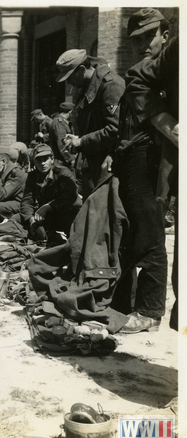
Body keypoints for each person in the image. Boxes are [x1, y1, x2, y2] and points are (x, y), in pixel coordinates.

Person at [115, 9, 175, 334]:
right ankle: (124, 303)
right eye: (135, 39)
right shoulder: (143, 74)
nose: (141, 45)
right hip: (132, 159)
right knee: (130, 232)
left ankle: (150, 312)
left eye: (148, 36)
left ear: (165, 36)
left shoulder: (169, 76)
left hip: (152, 159)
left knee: (151, 235)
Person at [55, 48, 125, 198]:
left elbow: (116, 129)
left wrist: (82, 141)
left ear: (81, 69)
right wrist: (78, 139)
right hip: (94, 164)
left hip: (110, 164)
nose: (68, 82)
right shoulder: (89, 86)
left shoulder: (110, 85)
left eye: (69, 77)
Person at [20, 144, 82, 246]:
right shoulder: (33, 176)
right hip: (48, 215)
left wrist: (49, 206)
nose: (42, 163)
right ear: (34, 162)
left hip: (66, 212)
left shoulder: (62, 173)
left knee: (74, 239)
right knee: (37, 231)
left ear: (52, 159)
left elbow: (70, 195)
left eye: (45, 159)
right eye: (39, 160)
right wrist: (30, 219)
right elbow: (27, 200)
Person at [48, 102, 77, 169]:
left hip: (63, 161)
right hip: (61, 162)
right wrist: (70, 159)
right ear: (70, 112)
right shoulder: (59, 123)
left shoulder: (63, 122)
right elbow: (62, 144)